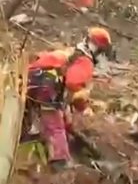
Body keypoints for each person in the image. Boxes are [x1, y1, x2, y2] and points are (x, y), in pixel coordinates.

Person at [25, 27, 114, 171]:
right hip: (47, 84)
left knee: (44, 115)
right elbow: (73, 84)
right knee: (55, 123)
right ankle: (60, 161)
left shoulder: (71, 53)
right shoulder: (85, 61)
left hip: (32, 79)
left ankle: (25, 138)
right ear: (98, 50)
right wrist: (83, 105)